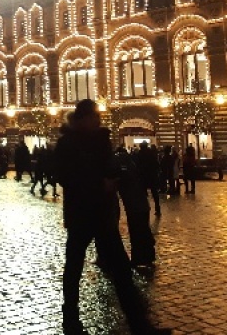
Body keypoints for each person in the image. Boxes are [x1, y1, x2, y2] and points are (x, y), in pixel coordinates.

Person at [55, 99, 172, 335]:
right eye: (93, 116)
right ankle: (70, 320)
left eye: (98, 115)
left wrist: (117, 176)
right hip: (81, 214)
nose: (97, 119)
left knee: (121, 270)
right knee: (75, 268)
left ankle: (140, 325)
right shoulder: (67, 143)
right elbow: (65, 176)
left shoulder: (100, 140)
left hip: (102, 214)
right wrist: (100, 183)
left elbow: (106, 168)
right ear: (82, 118)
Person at [136, 141, 162, 217]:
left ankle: (145, 208)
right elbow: (156, 164)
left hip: (143, 176)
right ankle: (157, 209)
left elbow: (137, 165)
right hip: (152, 176)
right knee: (155, 193)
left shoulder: (139, 154)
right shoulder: (151, 154)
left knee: (143, 194)